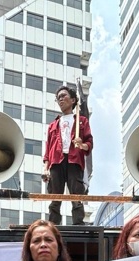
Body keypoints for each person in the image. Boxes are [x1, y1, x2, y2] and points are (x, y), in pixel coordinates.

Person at [42, 86, 92, 225]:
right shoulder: (53, 125)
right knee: (54, 197)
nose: (60, 99)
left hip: (74, 160)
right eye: (58, 97)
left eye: (63, 96)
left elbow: (89, 142)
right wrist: (46, 168)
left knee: (76, 196)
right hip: (56, 162)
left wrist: (82, 145)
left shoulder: (81, 121)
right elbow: (48, 149)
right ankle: (53, 225)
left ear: (73, 100)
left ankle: (78, 224)